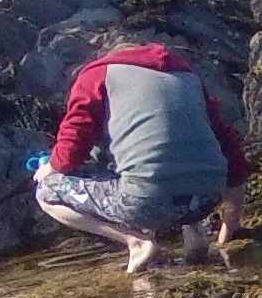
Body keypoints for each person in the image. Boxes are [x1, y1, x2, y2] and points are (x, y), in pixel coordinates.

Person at [36, 41, 248, 275]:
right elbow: (230, 147)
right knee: (175, 155)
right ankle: (196, 233)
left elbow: (75, 140)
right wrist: (230, 225)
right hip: (207, 198)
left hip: (148, 201)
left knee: (47, 191)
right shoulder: (188, 77)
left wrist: (52, 167)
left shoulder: (98, 73)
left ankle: (136, 242)